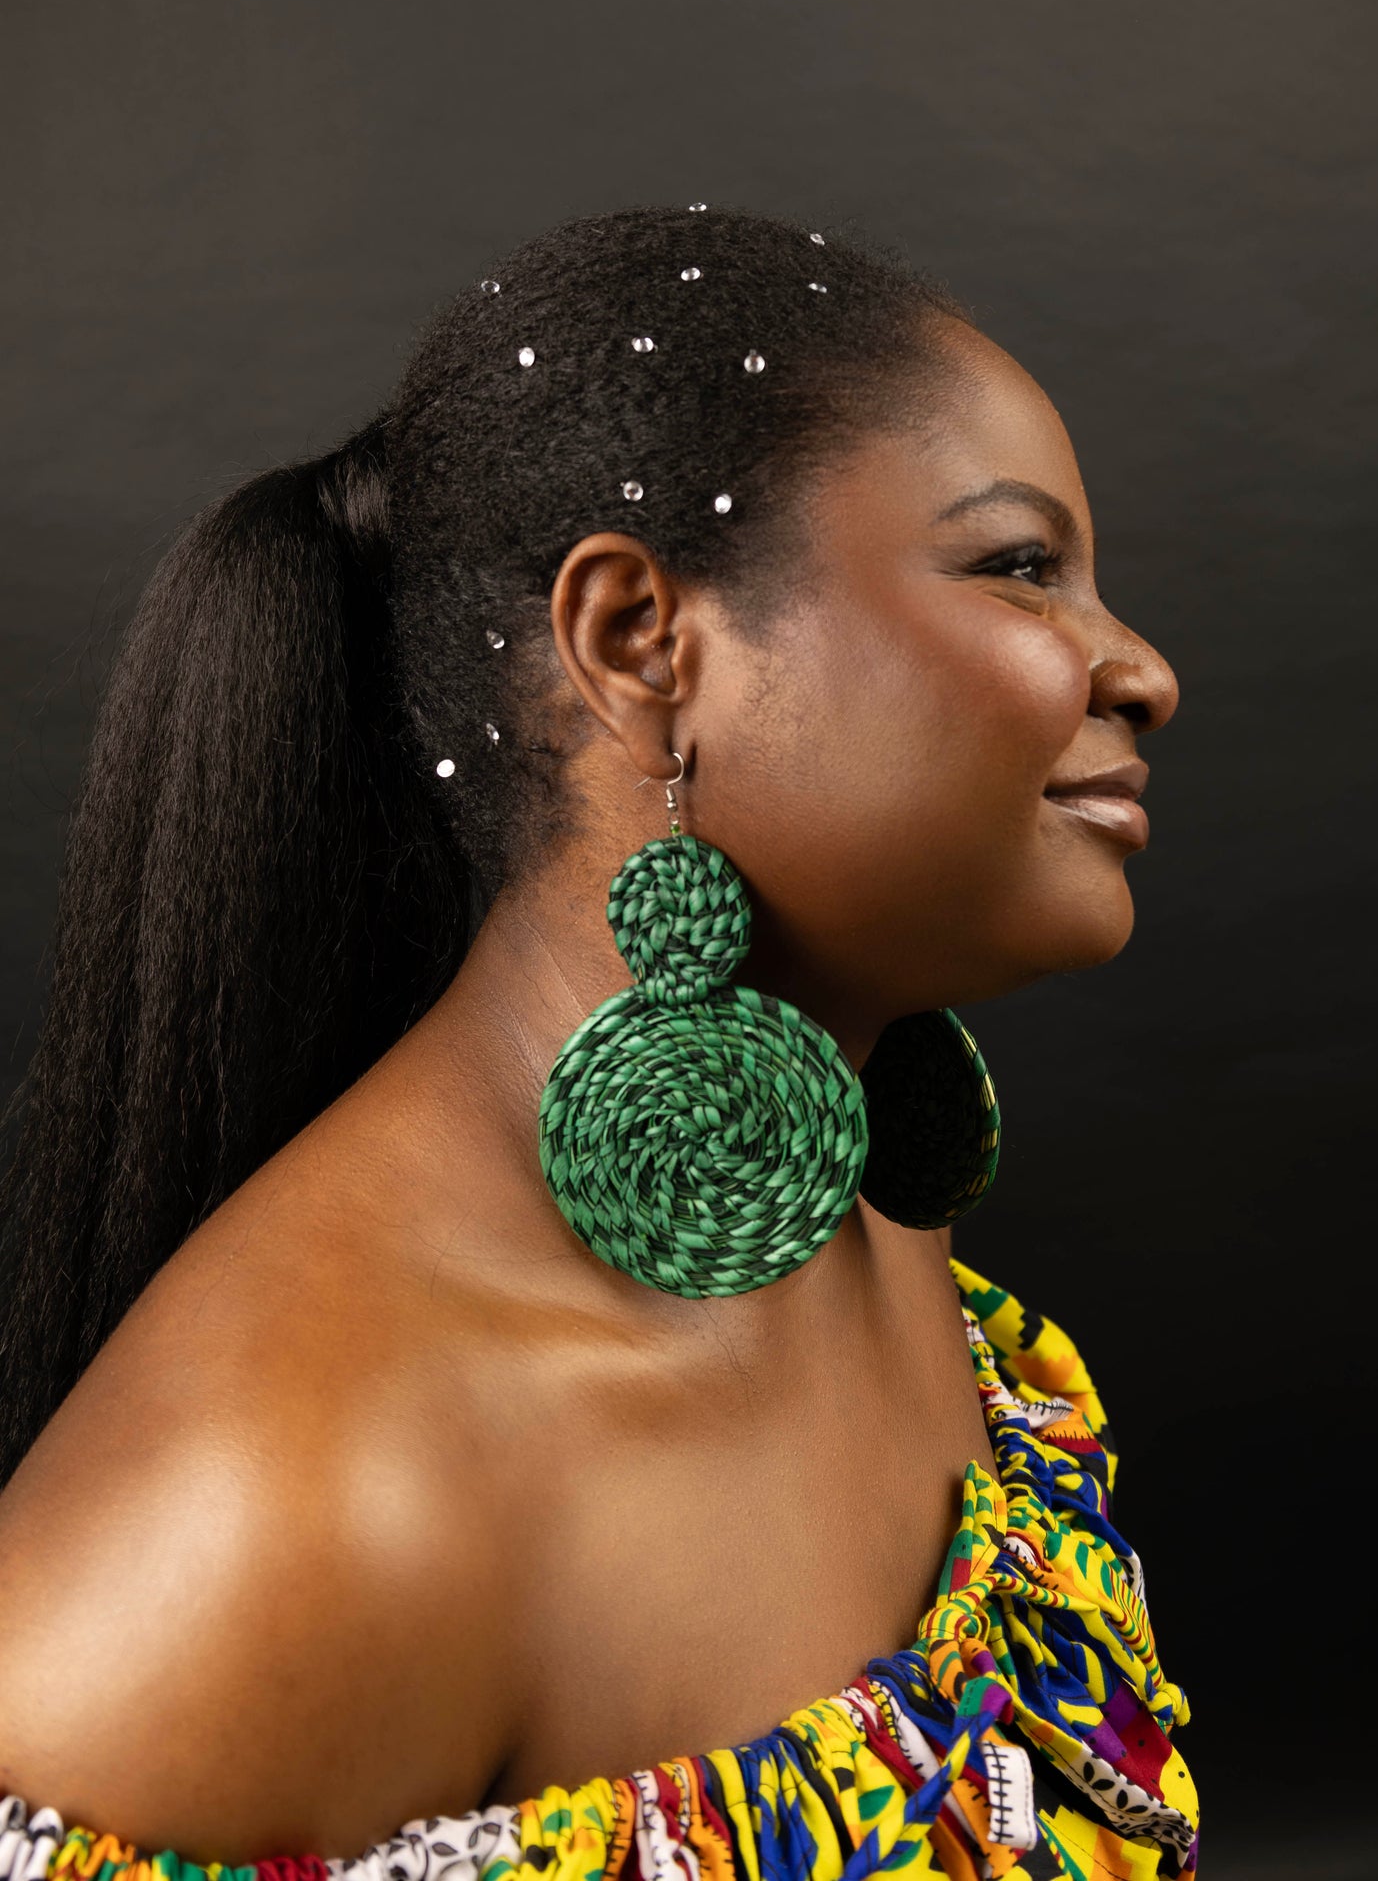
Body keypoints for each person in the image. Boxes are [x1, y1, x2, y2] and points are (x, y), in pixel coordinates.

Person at [0, 204, 1195, 1881]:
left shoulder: (851, 1219)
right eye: (1017, 567)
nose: (1139, 670)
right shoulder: (305, 1502)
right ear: (639, 642)